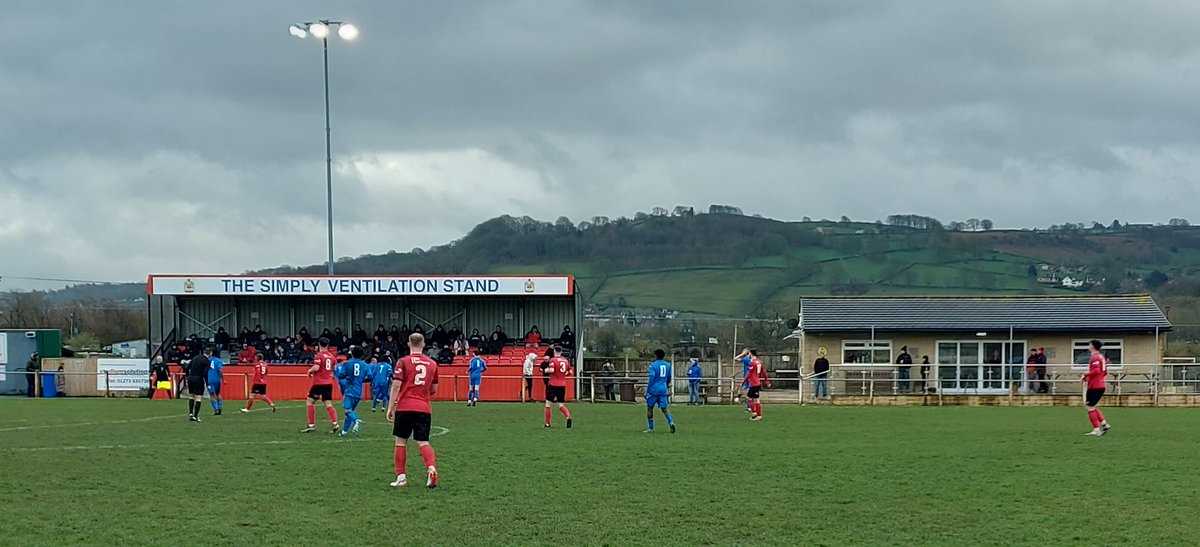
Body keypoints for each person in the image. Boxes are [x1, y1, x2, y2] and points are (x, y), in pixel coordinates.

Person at [386, 333, 440, 489]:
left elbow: (396, 385)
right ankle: (431, 468)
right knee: (423, 441)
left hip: (405, 406)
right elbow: (434, 389)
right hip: (423, 407)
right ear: (423, 344)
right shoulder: (432, 363)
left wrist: (390, 407)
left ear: (409, 344)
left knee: (401, 441)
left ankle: (401, 477)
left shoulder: (403, 362)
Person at [301, 337, 339, 434]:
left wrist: (310, 371)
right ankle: (335, 423)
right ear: (327, 345)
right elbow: (333, 369)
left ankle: (311, 425)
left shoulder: (319, 356)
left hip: (319, 383)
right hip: (328, 383)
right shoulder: (332, 357)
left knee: (309, 402)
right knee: (328, 404)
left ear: (319, 345)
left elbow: (317, 367)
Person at [337, 347, 370, 436]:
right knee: (350, 411)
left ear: (352, 354)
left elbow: (341, 375)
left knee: (347, 410)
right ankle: (344, 432)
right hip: (359, 391)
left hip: (350, 390)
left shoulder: (347, 364)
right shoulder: (365, 365)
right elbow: (370, 376)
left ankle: (356, 420)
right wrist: (361, 380)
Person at [1082, 339, 1112, 437]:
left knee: (1089, 407)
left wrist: (1085, 375)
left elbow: (1096, 370)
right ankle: (1104, 424)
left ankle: (1096, 429)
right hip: (1100, 384)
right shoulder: (1101, 357)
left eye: (1089, 344)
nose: (1088, 346)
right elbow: (1105, 372)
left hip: (1095, 386)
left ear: (1093, 346)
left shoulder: (1094, 357)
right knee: (1092, 406)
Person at [644, 349, 676, 433]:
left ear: (656, 356)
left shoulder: (653, 366)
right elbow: (669, 378)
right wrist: (666, 385)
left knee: (650, 408)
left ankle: (650, 428)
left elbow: (651, 379)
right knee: (664, 408)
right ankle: (671, 422)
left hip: (654, 389)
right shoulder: (668, 366)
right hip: (663, 389)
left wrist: (647, 390)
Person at [543, 347, 573, 429]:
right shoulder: (565, 360)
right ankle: (568, 417)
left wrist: (546, 370)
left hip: (553, 384)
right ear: (561, 352)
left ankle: (547, 423)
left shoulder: (553, 360)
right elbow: (570, 372)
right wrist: (564, 375)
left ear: (554, 352)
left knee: (548, 404)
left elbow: (552, 370)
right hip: (562, 385)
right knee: (560, 405)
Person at [737, 349, 769, 421]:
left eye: (749, 354)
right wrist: (766, 380)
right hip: (757, 383)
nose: (748, 355)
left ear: (751, 354)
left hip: (754, 384)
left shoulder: (752, 363)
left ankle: (757, 414)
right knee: (752, 398)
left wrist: (743, 382)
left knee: (751, 398)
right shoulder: (759, 362)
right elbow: (763, 372)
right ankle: (756, 413)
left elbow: (749, 374)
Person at [186, 350, 210, 422]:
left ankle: (190, 413)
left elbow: (187, 367)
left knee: (191, 396)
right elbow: (205, 373)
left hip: (190, 378)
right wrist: (207, 384)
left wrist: (187, 376)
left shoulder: (195, 358)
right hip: (198, 378)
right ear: (210, 354)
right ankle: (195, 416)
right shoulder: (207, 362)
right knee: (199, 397)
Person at [206, 350, 225, 415]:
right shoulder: (219, 361)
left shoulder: (208, 360)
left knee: (212, 395)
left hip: (210, 380)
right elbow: (220, 370)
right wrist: (223, 379)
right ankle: (219, 407)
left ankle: (216, 409)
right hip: (217, 380)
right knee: (217, 394)